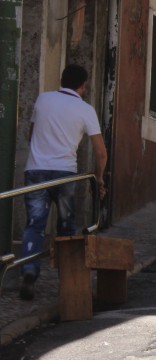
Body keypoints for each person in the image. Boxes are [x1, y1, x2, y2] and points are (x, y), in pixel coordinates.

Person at [20, 64, 108, 301]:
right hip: (65, 173)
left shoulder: (42, 99)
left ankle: (28, 272)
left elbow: (31, 135)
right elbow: (101, 152)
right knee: (67, 228)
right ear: (83, 86)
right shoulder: (84, 109)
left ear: (61, 80)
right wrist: (98, 178)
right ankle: (69, 282)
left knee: (34, 225)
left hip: (36, 170)